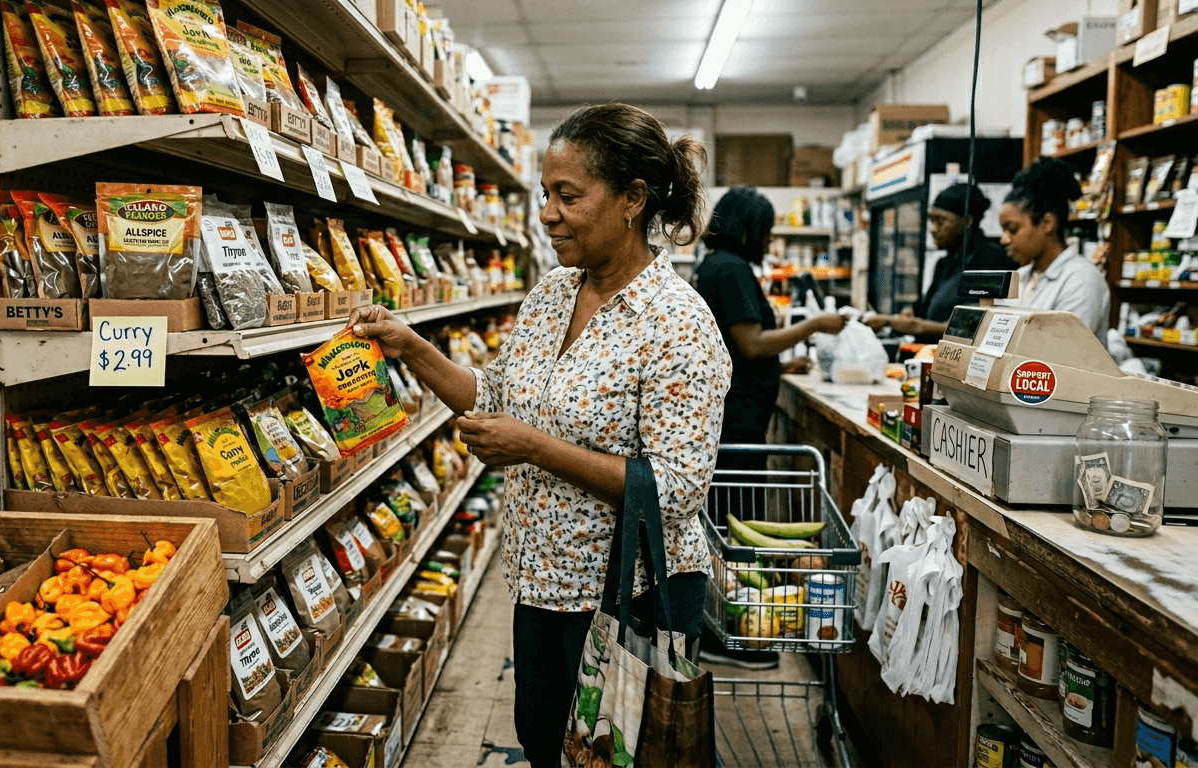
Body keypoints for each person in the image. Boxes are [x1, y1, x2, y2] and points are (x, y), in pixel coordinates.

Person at [347, 103, 730, 768]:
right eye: (544, 194)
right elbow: (496, 395)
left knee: (621, 756)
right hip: (537, 581)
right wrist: (411, 348)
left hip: (626, 593)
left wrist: (532, 448)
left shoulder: (678, 324)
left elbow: (676, 488)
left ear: (633, 200)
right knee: (546, 745)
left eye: (568, 196)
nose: (547, 213)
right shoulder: (552, 293)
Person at [690, 185, 844, 670]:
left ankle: (728, 627)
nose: (771, 238)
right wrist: (815, 326)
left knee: (722, 526)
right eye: (767, 229)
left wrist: (783, 364)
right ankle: (730, 633)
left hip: (729, 417)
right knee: (735, 527)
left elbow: (745, 348)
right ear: (750, 228)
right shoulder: (732, 269)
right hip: (736, 423)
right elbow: (751, 343)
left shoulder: (713, 264)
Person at [866, 182, 1016, 342]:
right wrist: (909, 312)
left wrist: (917, 326)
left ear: (967, 221)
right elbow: (927, 307)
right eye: (932, 220)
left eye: (940, 221)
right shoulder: (944, 263)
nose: (932, 229)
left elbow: (977, 324)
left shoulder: (992, 260)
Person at [998, 157, 1110, 345]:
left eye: (1012, 229)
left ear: (1046, 223)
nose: (1004, 239)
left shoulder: (1081, 279)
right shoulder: (1021, 277)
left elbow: (1060, 354)